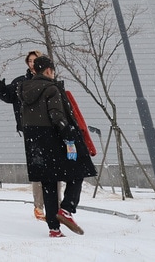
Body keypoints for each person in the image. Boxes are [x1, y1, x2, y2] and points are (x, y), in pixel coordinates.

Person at [20, 55, 95, 237]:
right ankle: (67, 209)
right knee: (79, 170)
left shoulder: (23, 90)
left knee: (49, 184)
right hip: (53, 140)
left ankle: (54, 229)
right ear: (48, 70)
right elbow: (56, 116)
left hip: (34, 144)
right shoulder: (51, 89)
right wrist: (69, 137)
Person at [0, 49, 60, 220]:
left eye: (35, 60)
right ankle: (39, 206)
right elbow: (9, 96)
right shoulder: (22, 82)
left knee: (54, 169)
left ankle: (56, 206)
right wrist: (0, 88)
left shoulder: (51, 82)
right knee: (38, 167)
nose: (32, 64)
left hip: (50, 130)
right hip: (31, 130)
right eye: (30, 61)